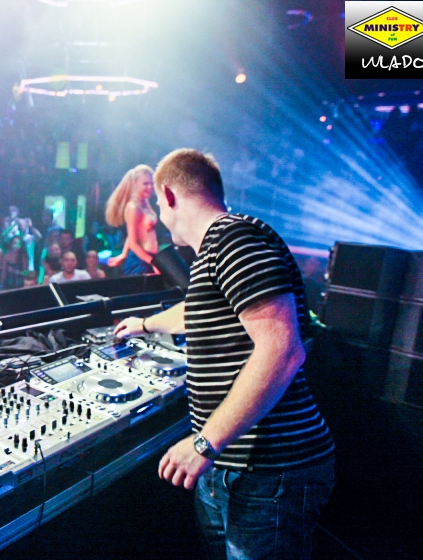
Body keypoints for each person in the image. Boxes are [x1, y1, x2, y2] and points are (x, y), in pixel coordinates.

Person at [114, 149, 334, 560]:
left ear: (169, 195)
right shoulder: (218, 247)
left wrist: (204, 443)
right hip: (233, 464)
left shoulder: (233, 239)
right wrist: (144, 324)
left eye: (159, 204)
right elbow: (198, 310)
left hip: (267, 469)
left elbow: (283, 350)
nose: (159, 215)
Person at [105, 164, 160, 275]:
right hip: (141, 261)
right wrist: (153, 262)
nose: (150, 187)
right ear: (135, 183)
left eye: (151, 183)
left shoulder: (145, 201)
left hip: (149, 258)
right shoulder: (133, 207)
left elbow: (132, 235)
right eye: (145, 184)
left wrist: (124, 254)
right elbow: (134, 244)